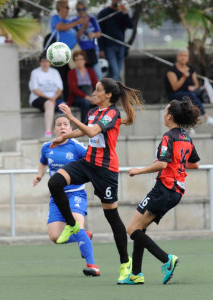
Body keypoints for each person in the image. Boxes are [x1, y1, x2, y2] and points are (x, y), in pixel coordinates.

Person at [47, 77, 144, 284]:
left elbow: (92, 131)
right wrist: (64, 137)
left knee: (112, 217)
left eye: (98, 90)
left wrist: (71, 117)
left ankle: (125, 264)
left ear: (108, 95)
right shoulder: (92, 112)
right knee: (54, 183)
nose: (94, 92)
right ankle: (72, 225)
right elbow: (84, 130)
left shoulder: (112, 113)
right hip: (88, 163)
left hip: (105, 170)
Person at [124, 98, 201, 285]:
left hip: (164, 188)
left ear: (170, 116)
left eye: (165, 111)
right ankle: (136, 274)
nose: (163, 114)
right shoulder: (185, 136)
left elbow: (163, 163)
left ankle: (167, 260)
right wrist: (176, 165)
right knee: (140, 228)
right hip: (175, 191)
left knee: (132, 229)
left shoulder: (169, 136)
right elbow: (195, 164)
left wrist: (139, 170)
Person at [33, 115, 100, 276]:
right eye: (59, 125)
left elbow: (93, 161)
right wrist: (39, 175)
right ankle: (84, 236)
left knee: (77, 225)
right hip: (56, 198)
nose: (62, 127)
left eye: (65, 124)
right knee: (55, 237)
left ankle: (92, 265)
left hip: (75, 194)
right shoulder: (47, 147)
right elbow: (43, 161)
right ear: (54, 129)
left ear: (70, 129)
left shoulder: (77, 147)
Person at [165, 49, 213, 126]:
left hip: (189, 94)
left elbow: (196, 84)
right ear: (177, 57)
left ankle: (190, 124)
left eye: (185, 55)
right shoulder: (171, 70)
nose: (183, 57)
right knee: (190, 97)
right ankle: (206, 117)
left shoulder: (191, 69)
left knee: (192, 97)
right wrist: (184, 77)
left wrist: (194, 87)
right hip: (175, 94)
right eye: (181, 55)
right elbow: (174, 87)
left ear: (188, 58)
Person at [50, 0, 85, 99]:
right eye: (66, 7)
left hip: (74, 50)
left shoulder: (69, 21)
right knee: (64, 76)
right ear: (60, 8)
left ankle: (76, 96)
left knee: (75, 74)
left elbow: (75, 33)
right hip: (62, 52)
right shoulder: (55, 18)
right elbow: (61, 27)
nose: (68, 10)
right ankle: (66, 98)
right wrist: (76, 22)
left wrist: (83, 25)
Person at [29, 52, 65, 138]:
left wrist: (54, 98)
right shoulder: (35, 72)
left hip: (54, 97)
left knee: (64, 107)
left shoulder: (55, 72)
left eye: (47, 61)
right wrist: (50, 98)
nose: (45, 63)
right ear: (40, 62)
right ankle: (48, 132)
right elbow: (35, 90)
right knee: (49, 104)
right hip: (39, 98)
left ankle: (63, 131)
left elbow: (60, 88)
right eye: (43, 61)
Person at [98, 0, 133, 81]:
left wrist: (125, 13)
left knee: (117, 72)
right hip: (109, 46)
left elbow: (130, 25)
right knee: (115, 72)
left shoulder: (121, 13)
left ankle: (115, 90)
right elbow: (99, 32)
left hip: (121, 46)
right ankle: (115, 92)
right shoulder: (104, 13)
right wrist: (101, 49)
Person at [72, 0, 102, 80]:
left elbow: (99, 33)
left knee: (97, 74)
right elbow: (75, 37)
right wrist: (84, 27)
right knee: (83, 76)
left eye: (83, 9)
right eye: (79, 10)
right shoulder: (74, 21)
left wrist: (93, 34)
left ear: (86, 9)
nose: (81, 12)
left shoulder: (91, 19)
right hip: (80, 52)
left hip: (92, 50)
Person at [67, 50, 97, 123]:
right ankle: (84, 125)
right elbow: (73, 89)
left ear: (85, 60)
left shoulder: (90, 71)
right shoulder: (71, 73)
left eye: (81, 59)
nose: (79, 61)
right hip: (77, 96)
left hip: (90, 93)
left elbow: (96, 85)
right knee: (85, 102)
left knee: (103, 101)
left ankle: (100, 126)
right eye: (77, 60)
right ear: (74, 61)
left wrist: (95, 97)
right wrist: (88, 98)